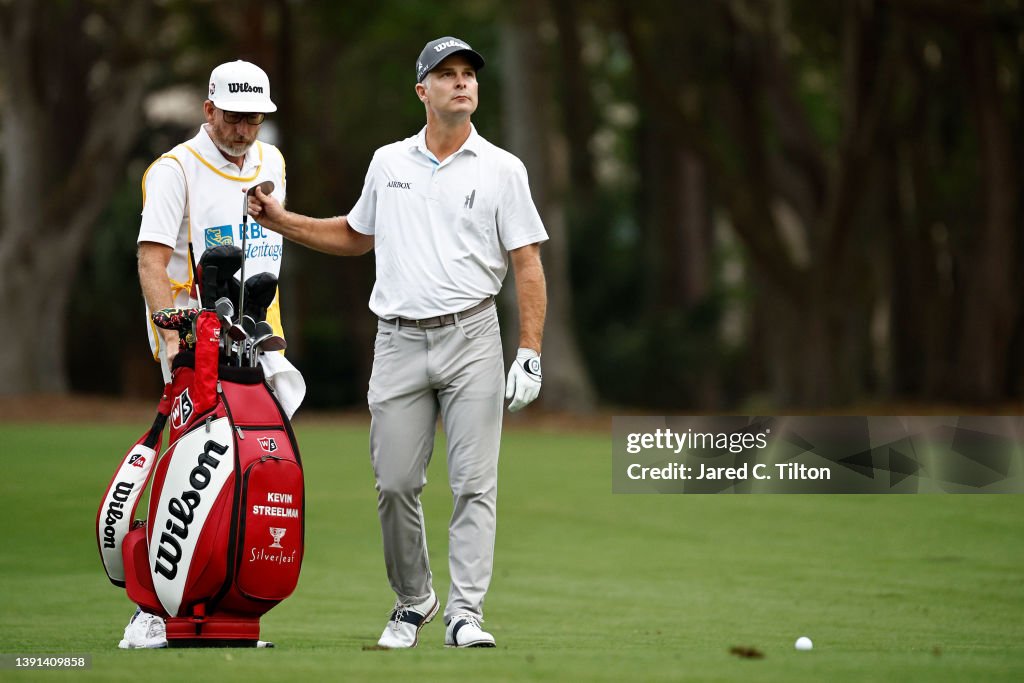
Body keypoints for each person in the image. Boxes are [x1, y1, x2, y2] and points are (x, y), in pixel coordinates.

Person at [247, 36, 548, 648]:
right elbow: (357, 236)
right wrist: (282, 220)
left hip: (472, 337)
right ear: (422, 91)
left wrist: (530, 350)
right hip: (399, 342)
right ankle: (415, 600)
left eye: (469, 75)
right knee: (395, 482)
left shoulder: (503, 168)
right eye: (447, 75)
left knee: (474, 483)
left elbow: (527, 263)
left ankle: (466, 614)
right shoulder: (389, 163)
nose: (461, 83)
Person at [123, 60, 293, 649]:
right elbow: (151, 259)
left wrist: (269, 328)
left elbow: (267, 247)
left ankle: (221, 597)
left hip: (256, 335)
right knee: (185, 466)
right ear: (209, 111)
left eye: (255, 119)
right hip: (192, 337)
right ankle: (153, 607)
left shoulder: (271, 161)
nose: (246, 131)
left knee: (245, 468)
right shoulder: (174, 169)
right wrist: (174, 340)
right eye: (235, 118)